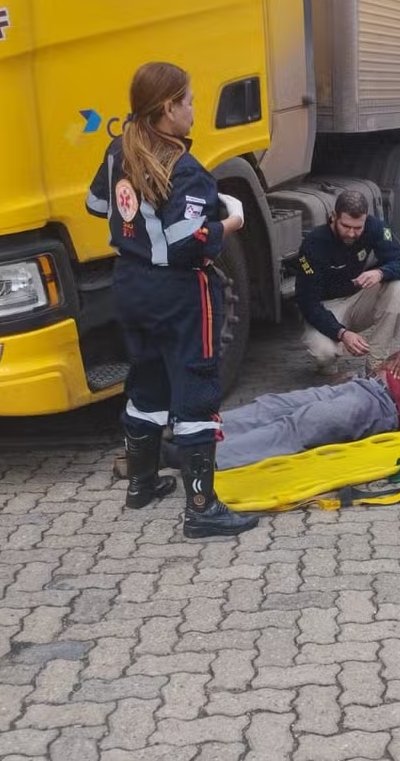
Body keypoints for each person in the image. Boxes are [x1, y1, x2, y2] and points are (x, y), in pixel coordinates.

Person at [86, 61, 258, 539]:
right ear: (168, 108)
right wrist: (230, 223)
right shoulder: (186, 171)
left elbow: (96, 205)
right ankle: (202, 508)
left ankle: (141, 484)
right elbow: (190, 243)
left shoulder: (117, 150)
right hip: (180, 290)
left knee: (146, 379)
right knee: (196, 389)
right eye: (189, 101)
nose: (193, 109)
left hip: (130, 284)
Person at [164, 351, 400, 470]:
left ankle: (202, 457)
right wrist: (381, 368)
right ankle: (194, 433)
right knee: (272, 405)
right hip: (360, 387)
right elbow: (394, 367)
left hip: (381, 408)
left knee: (302, 424)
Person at [296, 190, 400, 375]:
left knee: (399, 288)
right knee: (324, 354)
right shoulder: (314, 243)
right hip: (327, 307)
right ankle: (329, 361)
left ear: (366, 219)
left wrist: (381, 272)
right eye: (346, 226)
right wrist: (341, 333)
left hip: (357, 298)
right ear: (334, 217)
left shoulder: (374, 227)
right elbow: (307, 304)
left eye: (358, 227)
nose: (351, 233)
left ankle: (376, 361)